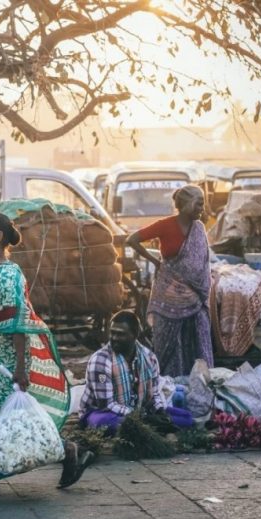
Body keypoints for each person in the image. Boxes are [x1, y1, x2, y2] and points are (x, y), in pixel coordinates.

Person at [0, 211, 93, 497]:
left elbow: (18, 324)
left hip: (3, 362)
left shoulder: (11, 274)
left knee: (13, 418)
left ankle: (69, 451)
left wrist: (21, 369)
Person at [126, 184, 213, 377]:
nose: (202, 209)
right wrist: (154, 260)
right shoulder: (165, 225)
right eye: (198, 204)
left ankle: (199, 382)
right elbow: (131, 240)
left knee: (197, 337)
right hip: (169, 293)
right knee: (170, 343)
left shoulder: (198, 228)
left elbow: (203, 262)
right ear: (186, 204)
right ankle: (169, 382)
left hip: (196, 296)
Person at [79, 310, 163, 435]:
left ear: (135, 335)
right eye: (112, 333)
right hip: (101, 413)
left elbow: (155, 394)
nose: (114, 338)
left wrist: (160, 411)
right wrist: (138, 416)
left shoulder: (149, 357)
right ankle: (146, 426)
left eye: (120, 334)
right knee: (109, 423)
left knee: (185, 418)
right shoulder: (100, 360)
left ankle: (146, 425)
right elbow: (106, 405)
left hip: (138, 412)